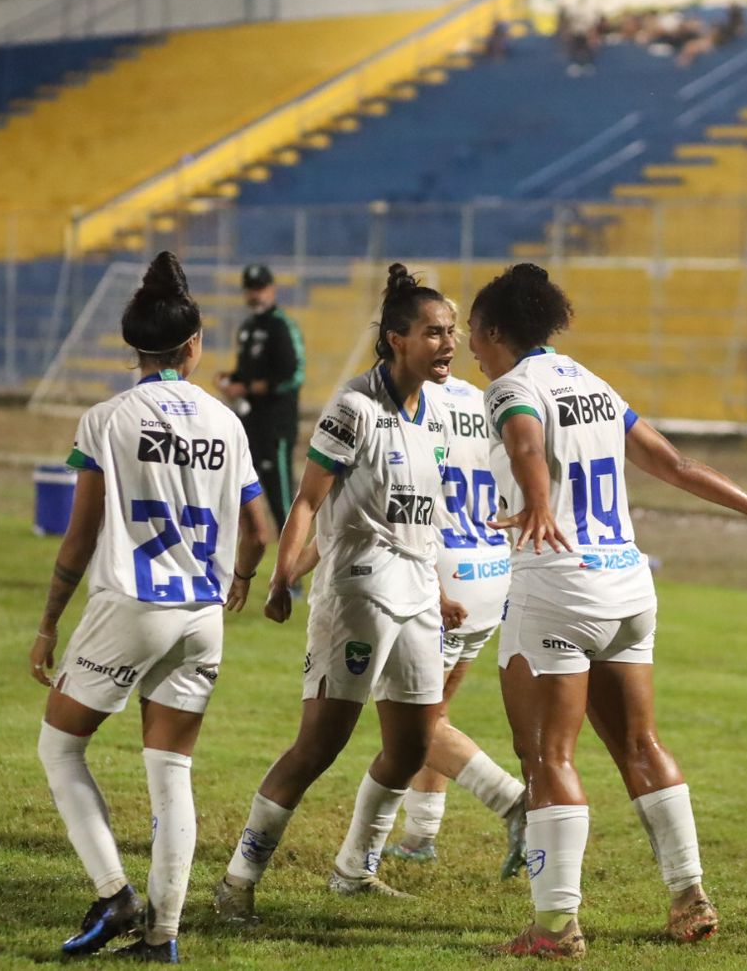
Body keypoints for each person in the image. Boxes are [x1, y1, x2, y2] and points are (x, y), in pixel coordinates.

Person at [466, 263, 747, 958]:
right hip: (627, 588)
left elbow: (525, 440)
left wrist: (537, 500)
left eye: (474, 333)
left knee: (545, 754)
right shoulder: (593, 384)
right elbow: (677, 465)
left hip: (559, 588)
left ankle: (555, 927)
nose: (472, 348)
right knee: (641, 744)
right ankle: (690, 894)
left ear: (495, 331)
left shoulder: (512, 388)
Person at [30, 250, 267, 963]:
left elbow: (80, 534)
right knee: (172, 771)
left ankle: (115, 895)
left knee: (61, 746)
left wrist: (49, 620)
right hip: (202, 612)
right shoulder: (227, 423)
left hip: (133, 605)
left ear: (134, 346)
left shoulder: (106, 418)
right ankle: (162, 937)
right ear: (194, 345)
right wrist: (243, 579)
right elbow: (259, 531)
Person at [212, 264, 463, 923]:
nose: (449, 343)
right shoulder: (354, 408)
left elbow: (417, 518)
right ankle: (239, 878)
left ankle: (354, 870)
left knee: (411, 745)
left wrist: (437, 589)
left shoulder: (434, 414)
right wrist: (280, 576)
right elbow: (309, 503)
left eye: (453, 332)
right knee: (319, 746)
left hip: (414, 596)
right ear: (395, 339)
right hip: (356, 594)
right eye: (435, 332)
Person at [379, 320, 527, 872]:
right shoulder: (484, 400)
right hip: (492, 569)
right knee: (435, 711)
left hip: (440, 579)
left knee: (414, 723)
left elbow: (405, 502)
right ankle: (421, 835)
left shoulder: (413, 408)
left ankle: (515, 802)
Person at [218, 263, 306, 532]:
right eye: (250, 289)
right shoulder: (246, 328)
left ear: (272, 289)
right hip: (248, 426)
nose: (255, 294)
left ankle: (291, 574)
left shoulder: (282, 326)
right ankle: (243, 571)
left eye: (260, 288)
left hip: (275, 427)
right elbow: (246, 374)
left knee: (281, 502)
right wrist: (229, 380)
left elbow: (294, 375)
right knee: (240, 500)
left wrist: (248, 388)